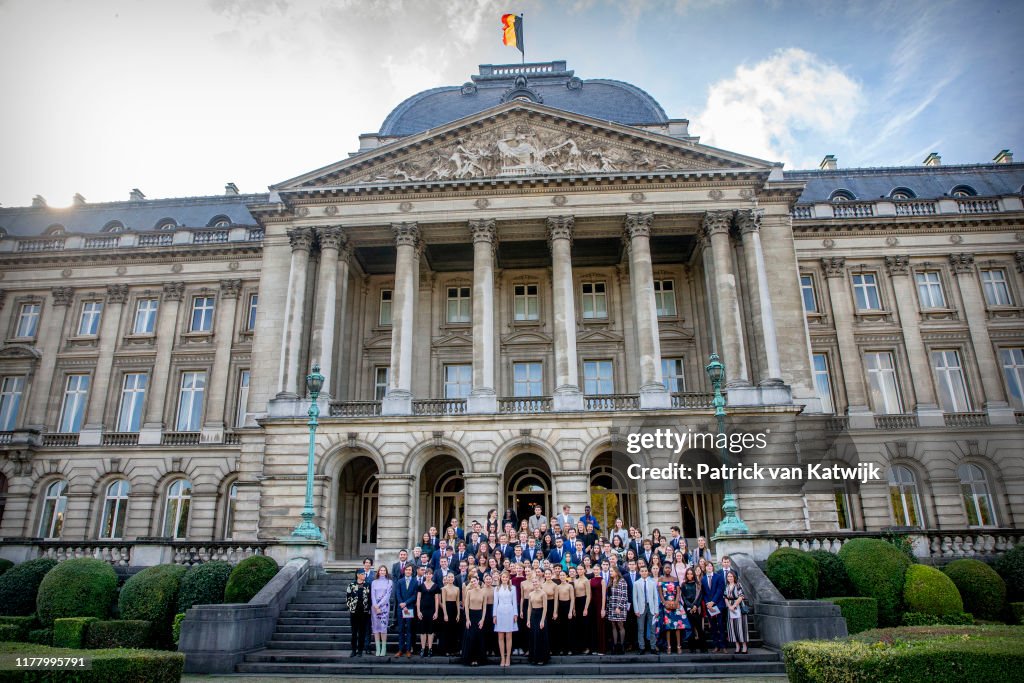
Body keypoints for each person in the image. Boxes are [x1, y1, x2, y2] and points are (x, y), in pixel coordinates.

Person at [658, 562, 688, 654]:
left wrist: (675, 602)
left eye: (669, 568)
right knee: (668, 627)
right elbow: (660, 593)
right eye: (666, 568)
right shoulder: (660, 579)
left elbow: (678, 592)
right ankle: (669, 646)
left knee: (678, 626)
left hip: (676, 605)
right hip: (666, 605)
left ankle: (679, 646)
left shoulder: (675, 579)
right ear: (663, 569)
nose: (667, 569)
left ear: (671, 569)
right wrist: (664, 603)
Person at [493, 570, 518, 668]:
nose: (504, 579)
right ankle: (502, 657)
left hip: (510, 611)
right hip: (499, 612)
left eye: (506, 577)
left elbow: (514, 602)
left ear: (508, 578)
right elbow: (495, 602)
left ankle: (508, 657)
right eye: (503, 577)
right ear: (500, 578)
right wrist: (494, 615)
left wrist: (515, 614)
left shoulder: (512, 588)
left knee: (508, 636)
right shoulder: (497, 589)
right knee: (500, 636)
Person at [462, 575, 488, 666]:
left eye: (474, 581)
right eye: (471, 582)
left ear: (478, 581)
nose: (473, 583)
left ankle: (478, 659)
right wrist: (467, 619)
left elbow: (484, 608)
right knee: (471, 638)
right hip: (471, 616)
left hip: (479, 616)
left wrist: (482, 620)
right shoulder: (469, 592)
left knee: (479, 638)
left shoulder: (483, 592)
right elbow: (466, 607)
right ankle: (471, 659)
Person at [632, 564, 658, 654]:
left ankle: (653, 647)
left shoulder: (652, 583)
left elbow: (655, 597)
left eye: (645, 571)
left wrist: (656, 610)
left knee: (652, 628)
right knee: (640, 629)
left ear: (648, 572)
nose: (644, 573)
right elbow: (634, 598)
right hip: (640, 608)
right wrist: (636, 610)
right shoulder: (636, 583)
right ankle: (641, 647)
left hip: (651, 607)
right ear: (640, 572)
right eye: (642, 571)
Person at [703, 560, 727, 653]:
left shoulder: (719, 577)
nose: (709, 567)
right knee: (713, 627)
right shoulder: (703, 579)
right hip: (709, 607)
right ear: (705, 568)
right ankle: (716, 645)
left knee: (721, 625)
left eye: (710, 566)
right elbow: (704, 593)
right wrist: (707, 603)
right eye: (707, 566)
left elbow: (720, 590)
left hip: (719, 605)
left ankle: (724, 645)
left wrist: (713, 602)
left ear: (712, 567)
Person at [416, 567, 440, 657]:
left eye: (430, 574)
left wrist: (436, 612)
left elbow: (437, 599)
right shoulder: (420, 586)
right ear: (425, 575)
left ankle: (430, 648)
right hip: (423, 610)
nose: (428, 575)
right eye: (427, 574)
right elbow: (418, 599)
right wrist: (418, 611)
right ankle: (422, 648)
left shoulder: (436, 586)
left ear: (432, 575)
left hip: (432, 611)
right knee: (423, 631)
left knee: (430, 631)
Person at [682, 566, 707, 653]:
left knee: (699, 628)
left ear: (693, 574)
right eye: (688, 574)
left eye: (691, 573)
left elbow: (700, 596)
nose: (689, 575)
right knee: (691, 629)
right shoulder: (684, 584)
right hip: (688, 609)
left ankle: (703, 648)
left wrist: (695, 605)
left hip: (697, 609)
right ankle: (692, 648)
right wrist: (690, 606)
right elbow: (684, 597)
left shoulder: (698, 584)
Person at [346, 569, 371, 657]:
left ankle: (360, 650)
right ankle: (353, 650)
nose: (364, 575)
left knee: (362, 632)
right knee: (354, 632)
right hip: (354, 612)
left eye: (364, 574)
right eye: (363, 574)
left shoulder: (367, 585)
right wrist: (350, 607)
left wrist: (368, 608)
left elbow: (370, 598)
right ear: (358, 575)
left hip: (364, 612)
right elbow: (348, 597)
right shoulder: (352, 585)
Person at [605, 564, 628, 654]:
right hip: (611, 606)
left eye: (612, 571)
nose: (610, 573)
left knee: (620, 625)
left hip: (619, 607)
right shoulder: (610, 581)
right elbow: (609, 595)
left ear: (616, 572)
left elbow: (624, 595)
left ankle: (622, 646)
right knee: (613, 625)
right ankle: (614, 646)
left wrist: (619, 607)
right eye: (610, 571)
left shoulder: (622, 581)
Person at [725, 571, 749, 654]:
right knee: (732, 627)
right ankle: (737, 646)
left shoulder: (738, 585)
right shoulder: (727, 586)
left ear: (734, 577)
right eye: (728, 576)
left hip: (738, 607)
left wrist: (734, 605)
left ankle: (744, 646)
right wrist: (729, 606)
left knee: (741, 627)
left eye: (731, 576)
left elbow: (741, 596)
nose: (730, 578)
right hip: (730, 608)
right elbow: (725, 597)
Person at [370, 566, 392, 657]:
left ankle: (383, 648)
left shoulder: (389, 582)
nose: (382, 572)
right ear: (378, 572)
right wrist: (375, 606)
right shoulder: (374, 582)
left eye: (384, 570)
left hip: (384, 607)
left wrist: (379, 606)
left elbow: (387, 596)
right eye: (381, 570)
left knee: (383, 628)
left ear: (386, 572)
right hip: (374, 608)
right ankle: (377, 648)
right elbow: (372, 595)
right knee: (376, 628)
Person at [527, 578, 549, 665]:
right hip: (533, 615)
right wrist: (528, 619)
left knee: (540, 636)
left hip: (540, 615)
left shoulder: (543, 593)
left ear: (539, 582)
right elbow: (529, 607)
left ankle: (541, 658)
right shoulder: (531, 594)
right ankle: (534, 657)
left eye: (536, 582)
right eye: (533, 582)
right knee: (533, 636)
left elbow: (545, 608)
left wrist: (542, 620)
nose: (534, 583)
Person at [440, 572, 462, 656]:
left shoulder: (457, 588)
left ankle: (454, 650)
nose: (450, 578)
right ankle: (446, 650)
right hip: (447, 609)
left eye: (452, 577)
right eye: (449, 577)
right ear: (447, 578)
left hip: (454, 610)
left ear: (454, 578)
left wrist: (458, 614)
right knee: (447, 630)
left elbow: (457, 602)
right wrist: (445, 614)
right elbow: (444, 602)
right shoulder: (444, 588)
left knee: (454, 630)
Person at [570, 566, 592, 654]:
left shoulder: (586, 580)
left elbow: (589, 595)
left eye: (581, 569)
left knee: (585, 626)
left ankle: (586, 647)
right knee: (578, 626)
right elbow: (574, 596)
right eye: (578, 569)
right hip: (577, 603)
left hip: (584, 602)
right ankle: (579, 647)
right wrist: (574, 608)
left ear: (584, 570)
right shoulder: (575, 580)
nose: (579, 571)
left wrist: (586, 608)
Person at [553, 568, 574, 655]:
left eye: (563, 575)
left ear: (566, 576)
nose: (562, 576)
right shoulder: (557, 587)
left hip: (568, 606)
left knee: (569, 629)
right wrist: (555, 611)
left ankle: (569, 649)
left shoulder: (570, 586)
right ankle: (562, 648)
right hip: (560, 608)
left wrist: (570, 611)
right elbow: (556, 600)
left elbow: (572, 599)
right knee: (561, 629)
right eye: (561, 575)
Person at [589, 560, 608, 655]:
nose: (595, 571)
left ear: (600, 570)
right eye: (594, 570)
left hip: (600, 604)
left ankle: (602, 649)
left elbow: (604, 595)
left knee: (600, 626)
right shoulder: (590, 580)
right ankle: (595, 648)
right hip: (592, 605)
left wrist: (603, 608)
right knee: (593, 626)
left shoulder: (602, 580)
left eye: (597, 569)